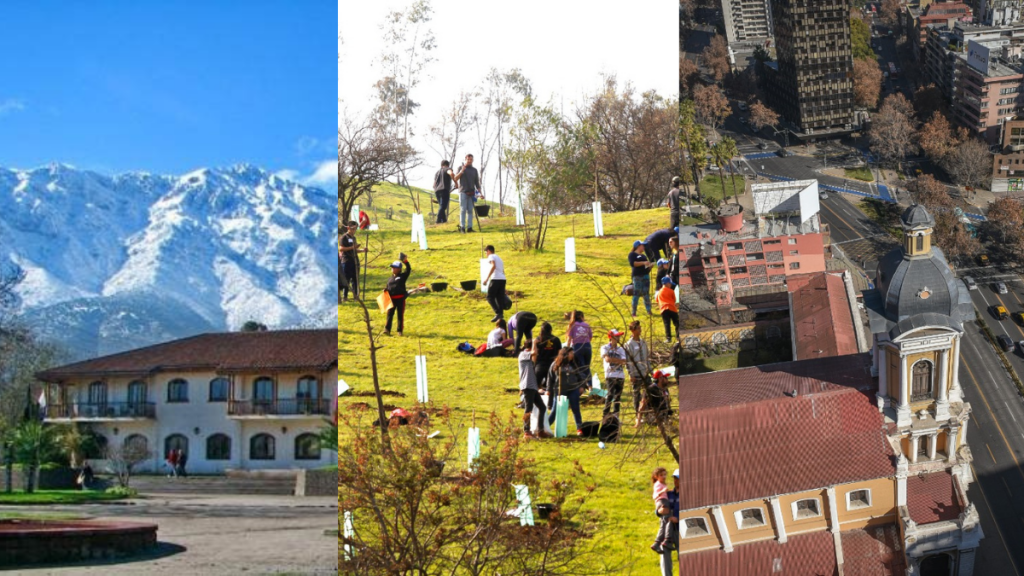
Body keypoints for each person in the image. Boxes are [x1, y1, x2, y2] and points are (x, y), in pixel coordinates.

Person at [546, 347, 586, 435]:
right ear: (565, 354)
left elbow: (581, 376)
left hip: (573, 390)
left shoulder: (573, 364)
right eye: (571, 353)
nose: (573, 354)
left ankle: (579, 428)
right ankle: (545, 427)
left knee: (576, 409)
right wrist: (548, 389)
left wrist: (582, 386)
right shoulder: (555, 364)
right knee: (555, 410)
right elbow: (550, 377)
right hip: (559, 391)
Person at [519, 339, 552, 439]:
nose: (537, 350)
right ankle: (526, 431)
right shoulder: (523, 354)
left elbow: (534, 355)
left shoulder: (530, 357)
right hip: (527, 386)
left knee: (542, 407)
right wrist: (534, 343)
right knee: (528, 408)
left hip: (533, 386)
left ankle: (540, 431)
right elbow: (534, 352)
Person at [623, 320, 650, 425]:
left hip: (645, 373)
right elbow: (628, 361)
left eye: (640, 328)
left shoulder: (643, 342)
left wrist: (650, 370)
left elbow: (647, 358)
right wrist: (631, 374)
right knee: (636, 395)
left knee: (648, 394)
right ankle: (637, 416)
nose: (640, 330)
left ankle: (647, 413)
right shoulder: (628, 344)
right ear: (633, 330)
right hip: (636, 374)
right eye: (638, 328)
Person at [600, 329, 627, 418]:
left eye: (619, 336)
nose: (618, 338)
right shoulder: (605, 347)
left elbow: (624, 361)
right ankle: (605, 413)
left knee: (618, 396)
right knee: (610, 394)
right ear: (611, 337)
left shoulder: (621, 349)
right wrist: (619, 361)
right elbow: (607, 359)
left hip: (620, 375)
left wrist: (614, 360)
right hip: (610, 375)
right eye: (616, 336)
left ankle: (616, 414)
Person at [384, 256, 412, 336]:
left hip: (400, 299)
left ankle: (400, 331)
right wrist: (385, 290)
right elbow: (388, 287)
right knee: (389, 315)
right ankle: (387, 329)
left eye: (394, 268)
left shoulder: (403, 276)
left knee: (400, 315)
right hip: (391, 300)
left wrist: (405, 261)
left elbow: (408, 269)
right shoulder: (390, 278)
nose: (393, 269)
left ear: (399, 269)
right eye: (392, 267)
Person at [339, 221, 366, 303]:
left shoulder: (354, 238)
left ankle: (356, 296)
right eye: (352, 229)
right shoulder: (344, 237)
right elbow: (341, 248)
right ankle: (345, 296)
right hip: (346, 261)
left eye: (355, 229)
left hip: (354, 260)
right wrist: (352, 247)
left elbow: (354, 250)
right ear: (348, 228)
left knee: (355, 279)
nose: (354, 230)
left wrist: (362, 250)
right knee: (346, 279)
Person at [453, 153, 480, 233]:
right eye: (468, 159)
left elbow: (477, 182)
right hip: (463, 192)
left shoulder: (474, 170)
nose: (469, 161)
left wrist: (479, 192)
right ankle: (462, 227)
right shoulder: (460, 168)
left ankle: (470, 228)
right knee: (463, 210)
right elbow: (455, 178)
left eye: (471, 159)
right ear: (465, 159)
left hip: (471, 192)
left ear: (473, 160)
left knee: (470, 210)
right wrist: (462, 171)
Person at [655, 469, 680, 555]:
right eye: (675, 478)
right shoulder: (668, 494)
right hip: (667, 530)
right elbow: (660, 505)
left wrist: (678, 519)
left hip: (681, 530)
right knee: (665, 555)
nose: (676, 481)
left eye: (678, 479)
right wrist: (658, 511)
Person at [566, 311, 593, 384]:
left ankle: (582, 385)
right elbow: (590, 337)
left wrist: (567, 350)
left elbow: (569, 339)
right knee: (587, 367)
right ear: (581, 317)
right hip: (587, 346)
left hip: (577, 347)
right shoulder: (586, 325)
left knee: (580, 367)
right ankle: (590, 385)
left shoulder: (572, 325)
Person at [534, 322, 562, 392]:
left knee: (536, 387)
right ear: (551, 330)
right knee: (550, 388)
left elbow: (534, 352)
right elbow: (560, 353)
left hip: (539, 365)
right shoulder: (556, 339)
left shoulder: (538, 339)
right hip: (551, 365)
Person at [629, 241, 654, 317]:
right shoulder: (632, 254)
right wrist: (643, 263)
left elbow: (646, 268)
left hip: (645, 276)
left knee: (646, 294)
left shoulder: (643, 256)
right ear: (638, 246)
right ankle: (634, 312)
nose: (644, 247)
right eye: (642, 246)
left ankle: (649, 310)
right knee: (636, 293)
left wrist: (650, 267)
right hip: (637, 276)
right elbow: (633, 263)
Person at [482, 245, 507, 322]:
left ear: (489, 251)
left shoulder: (491, 256)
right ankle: (501, 315)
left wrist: (487, 279)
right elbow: (503, 270)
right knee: (499, 297)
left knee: (489, 297)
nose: (486, 254)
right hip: (502, 279)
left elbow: (493, 266)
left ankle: (497, 313)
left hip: (495, 279)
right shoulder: (499, 258)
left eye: (486, 252)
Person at [651, 467, 670, 553]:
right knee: (666, 522)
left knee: (664, 523)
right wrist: (663, 491)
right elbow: (655, 496)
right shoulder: (658, 484)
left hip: (664, 501)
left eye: (665, 474)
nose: (664, 476)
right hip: (662, 502)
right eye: (661, 475)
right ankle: (663, 541)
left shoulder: (662, 484)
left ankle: (659, 543)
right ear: (656, 476)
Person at [657, 277, 679, 343]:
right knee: (677, 323)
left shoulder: (659, 292)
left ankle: (668, 338)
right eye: (670, 283)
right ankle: (678, 337)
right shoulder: (671, 291)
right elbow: (674, 300)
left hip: (663, 309)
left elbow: (657, 300)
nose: (671, 285)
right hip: (672, 308)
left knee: (667, 324)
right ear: (667, 283)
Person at [433, 160, 455, 224]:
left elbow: (433, 185)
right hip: (444, 189)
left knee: (441, 206)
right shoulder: (447, 169)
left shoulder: (437, 172)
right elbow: (451, 173)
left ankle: (444, 221)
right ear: (447, 165)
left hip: (437, 190)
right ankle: (438, 220)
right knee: (443, 206)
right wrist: (455, 182)